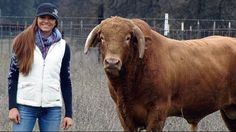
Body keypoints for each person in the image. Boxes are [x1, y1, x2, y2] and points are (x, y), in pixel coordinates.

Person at [8, 3, 73, 131]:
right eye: (43, 17)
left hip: (52, 108)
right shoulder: (22, 41)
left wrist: (69, 114)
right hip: (25, 106)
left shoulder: (63, 47)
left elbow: (66, 81)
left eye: (51, 18)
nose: (46, 21)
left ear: (55, 22)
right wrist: (12, 107)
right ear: (37, 19)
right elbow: (12, 76)